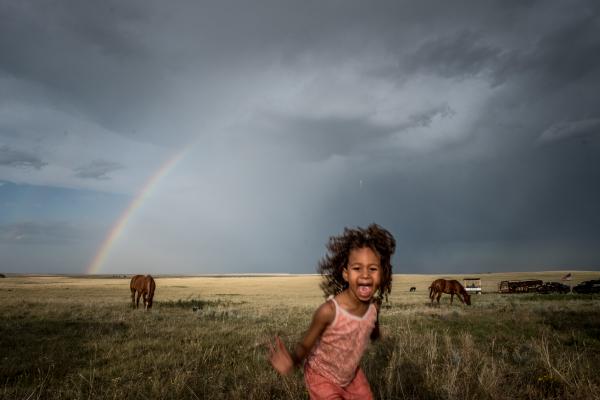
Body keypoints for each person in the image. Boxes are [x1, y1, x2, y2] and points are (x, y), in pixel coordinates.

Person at [268, 223, 396, 399]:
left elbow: (372, 325)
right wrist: (292, 361)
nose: (365, 275)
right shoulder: (329, 311)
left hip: (352, 377)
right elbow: (306, 345)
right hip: (321, 376)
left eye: (372, 269)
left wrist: (375, 334)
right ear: (346, 274)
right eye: (357, 268)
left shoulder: (374, 307)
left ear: (382, 274)